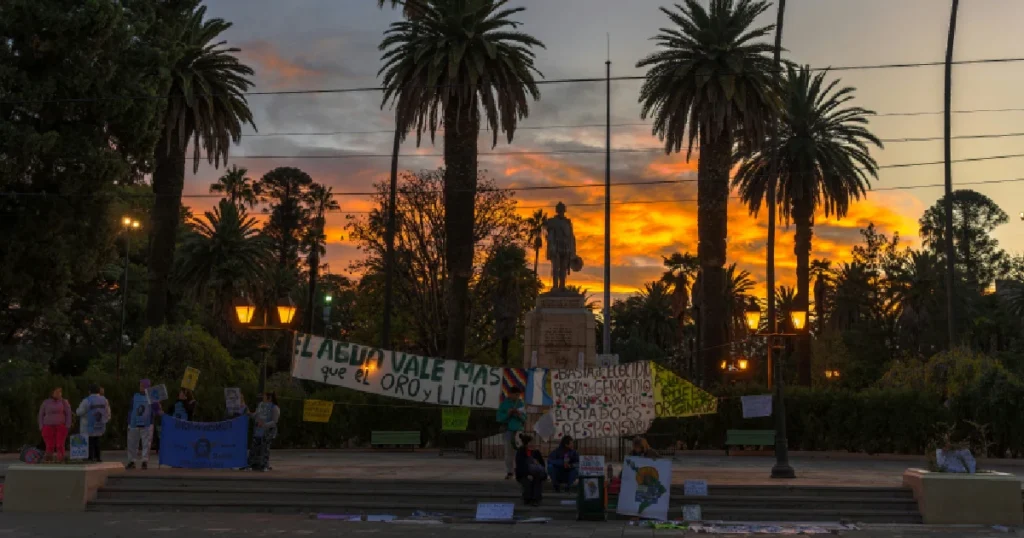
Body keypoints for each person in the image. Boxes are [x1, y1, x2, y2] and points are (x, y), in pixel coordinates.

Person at [126, 379, 162, 470]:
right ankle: (131, 461)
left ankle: (144, 461)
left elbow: (157, 410)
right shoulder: (135, 396)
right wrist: (129, 421)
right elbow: (131, 409)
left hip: (147, 424)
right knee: (132, 443)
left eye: (142, 385)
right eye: (140, 385)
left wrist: (159, 410)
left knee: (146, 443)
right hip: (134, 423)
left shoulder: (152, 397)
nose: (141, 387)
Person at [496, 387, 526, 479]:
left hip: (518, 431)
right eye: (515, 394)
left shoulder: (521, 404)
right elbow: (499, 418)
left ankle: (519, 471)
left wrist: (518, 415)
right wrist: (508, 414)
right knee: (509, 452)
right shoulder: (504, 404)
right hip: (508, 430)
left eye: (518, 395)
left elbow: (525, 419)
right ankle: (510, 471)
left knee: (519, 452)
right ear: (510, 394)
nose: (517, 397)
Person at [76, 384, 111, 462]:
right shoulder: (104, 400)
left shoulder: (87, 400)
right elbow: (107, 412)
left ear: (89, 391)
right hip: (100, 424)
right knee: (97, 441)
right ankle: (98, 457)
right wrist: (106, 420)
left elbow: (79, 412)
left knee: (90, 442)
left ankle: (90, 457)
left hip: (88, 425)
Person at [38, 387, 72, 463]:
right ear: (52, 393)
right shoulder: (46, 402)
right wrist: (41, 426)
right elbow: (41, 414)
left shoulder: (64, 402)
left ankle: (60, 459)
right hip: (47, 426)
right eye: (56, 392)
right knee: (49, 445)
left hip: (61, 426)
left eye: (60, 392)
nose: (58, 394)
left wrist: (67, 425)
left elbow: (68, 414)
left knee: (60, 444)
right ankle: (48, 460)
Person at [247, 391, 280, 472]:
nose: (263, 398)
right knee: (254, 447)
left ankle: (264, 465)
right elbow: (255, 415)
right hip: (258, 431)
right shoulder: (261, 406)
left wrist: (264, 425)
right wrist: (249, 413)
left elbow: (274, 421)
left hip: (268, 432)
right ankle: (252, 464)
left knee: (265, 448)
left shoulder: (275, 408)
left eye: (264, 397)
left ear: (269, 398)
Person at [514, 435, 547, 506]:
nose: (533, 444)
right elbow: (520, 466)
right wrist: (527, 474)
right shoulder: (521, 452)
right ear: (526, 443)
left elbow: (542, 465)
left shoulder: (536, 452)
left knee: (537, 479)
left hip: (536, 473)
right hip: (524, 473)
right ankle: (527, 499)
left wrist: (537, 463)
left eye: (533, 442)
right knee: (527, 481)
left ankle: (536, 500)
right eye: (531, 442)